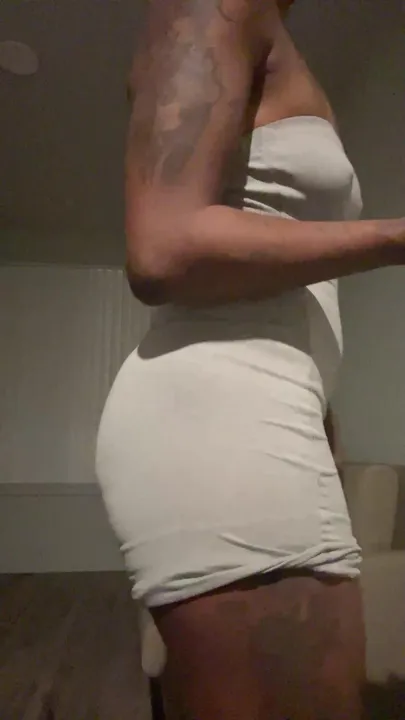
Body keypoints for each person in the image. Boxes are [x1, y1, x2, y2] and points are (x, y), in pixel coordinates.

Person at [96, 1, 405, 717]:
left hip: (262, 417)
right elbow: (162, 248)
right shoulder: (213, 6)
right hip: (223, 420)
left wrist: (319, 416)